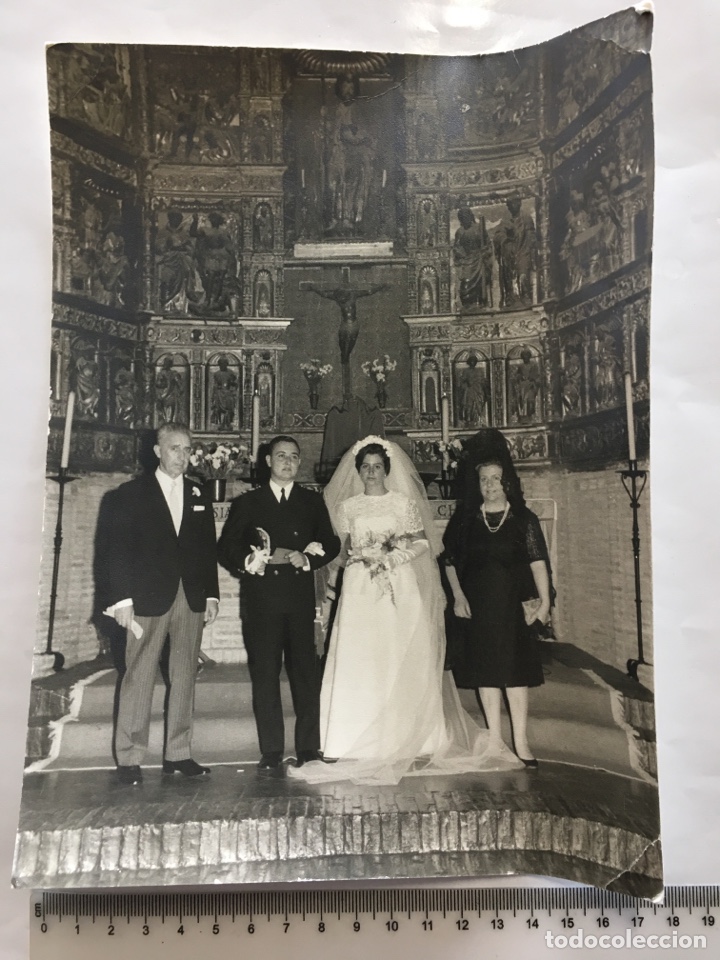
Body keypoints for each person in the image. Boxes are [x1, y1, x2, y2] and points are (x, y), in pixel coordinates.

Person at [290, 436, 522, 786]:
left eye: (377, 467)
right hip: (359, 587)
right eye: (365, 467)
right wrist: (343, 566)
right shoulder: (348, 507)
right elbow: (339, 547)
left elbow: (423, 542)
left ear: (387, 470)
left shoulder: (402, 503)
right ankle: (348, 737)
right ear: (358, 471)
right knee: (361, 657)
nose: (371, 473)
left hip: (398, 584)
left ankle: (414, 737)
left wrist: (395, 557)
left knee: (398, 653)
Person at [217, 436, 340, 777]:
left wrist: (309, 558)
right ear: (268, 461)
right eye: (281, 456)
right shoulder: (248, 502)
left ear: (299, 463)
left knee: (305, 674)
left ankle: (308, 747)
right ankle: (271, 750)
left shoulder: (311, 501)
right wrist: (248, 560)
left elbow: (331, 542)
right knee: (265, 674)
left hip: (299, 598)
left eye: (294, 457)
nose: (288, 462)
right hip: (262, 599)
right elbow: (226, 546)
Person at [104, 422, 219, 785]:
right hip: (146, 597)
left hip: (190, 596)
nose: (182, 457)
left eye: (187, 450)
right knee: (139, 674)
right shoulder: (129, 494)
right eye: (174, 448)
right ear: (157, 451)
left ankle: (178, 753)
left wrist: (211, 594)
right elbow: (116, 552)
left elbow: (207, 549)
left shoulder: (198, 493)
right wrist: (122, 600)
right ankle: (129, 756)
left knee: (185, 674)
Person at [442, 448, 552, 768]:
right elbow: (449, 561)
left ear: (507, 483)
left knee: (515, 673)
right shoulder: (465, 521)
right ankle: (494, 740)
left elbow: (538, 562)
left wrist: (545, 601)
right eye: (484, 480)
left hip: (513, 606)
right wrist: (458, 597)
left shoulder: (524, 519)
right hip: (478, 606)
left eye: (496, 479)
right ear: (476, 484)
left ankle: (521, 741)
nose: (490, 485)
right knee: (486, 672)